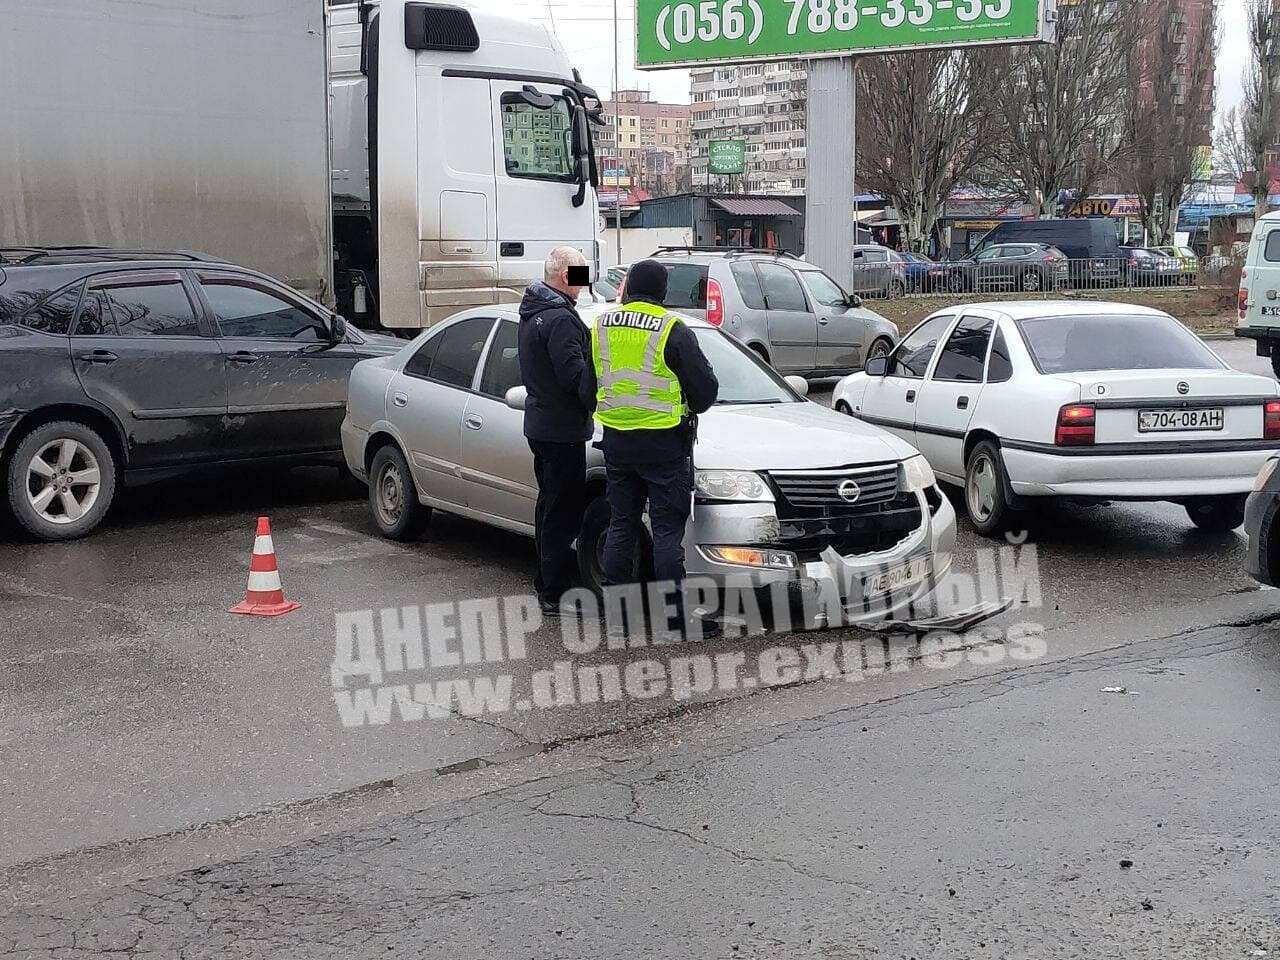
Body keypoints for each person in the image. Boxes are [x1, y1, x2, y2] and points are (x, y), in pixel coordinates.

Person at [591, 259, 719, 635]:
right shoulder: (670, 329)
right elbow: (705, 391)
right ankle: (675, 616)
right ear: (663, 291)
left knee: (621, 523)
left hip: (616, 440)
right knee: (666, 532)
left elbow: (591, 376)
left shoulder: (601, 325)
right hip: (664, 445)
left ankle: (616, 612)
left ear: (628, 287)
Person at [518, 247, 594, 617]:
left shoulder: (533, 313)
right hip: (562, 428)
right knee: (562, 510)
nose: (586, 279)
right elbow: (575, 376)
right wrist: (596, 393)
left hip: (542, 424)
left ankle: (547, 581)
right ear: (565, 276)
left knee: (549, 505)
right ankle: (556, 590)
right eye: (582, 272)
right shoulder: (561, 320)